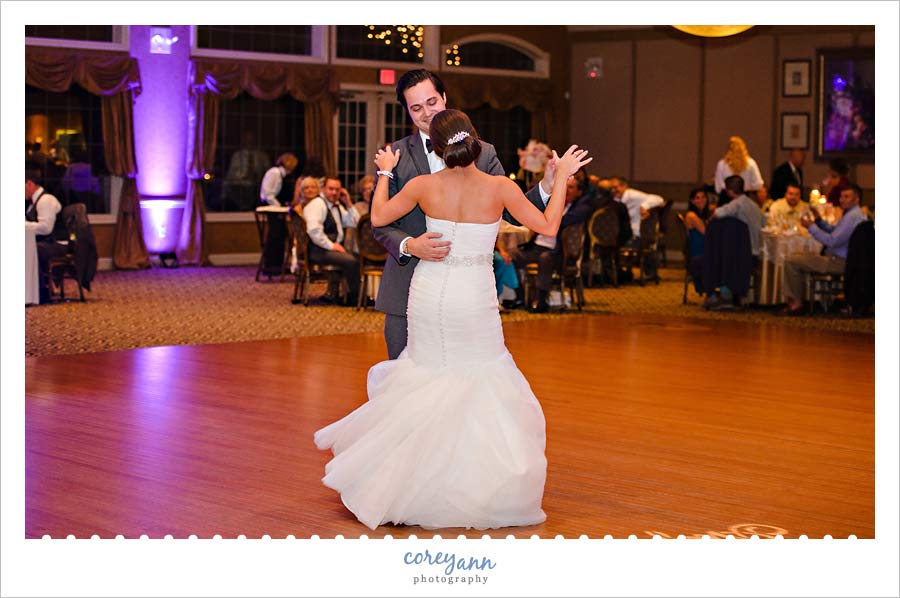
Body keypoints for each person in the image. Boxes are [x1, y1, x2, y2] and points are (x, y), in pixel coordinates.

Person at [314, 109, 592, 530]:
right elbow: (549, 223)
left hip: (429, 293)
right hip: (472, 296)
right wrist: (564, 176)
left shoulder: (424, 185)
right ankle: (469, 484)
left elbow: (378, 218)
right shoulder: (500, 187)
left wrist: (386, 172)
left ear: (437, 148)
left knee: (426, 373)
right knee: (479, 376)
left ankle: (403, 481)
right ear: (475, 141)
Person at [372, 69, 553, 360]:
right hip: (407, 288)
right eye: (416, 108)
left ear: (444, 98)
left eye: (432, 102)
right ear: (407, 111)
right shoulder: (394, 155)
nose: (427, 113)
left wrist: (546, 187)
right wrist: (410, 245)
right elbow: (379, 222)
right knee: (404, 379)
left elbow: (515, 212)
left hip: (467, 296)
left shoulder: (483, 152)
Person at [778, 184, 868, 316]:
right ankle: (801, 300)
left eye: (847, 197)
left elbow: (831, 241)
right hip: (844, 259)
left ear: (856, 200)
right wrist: (819, 221)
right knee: (797, 256)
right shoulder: (855, 214)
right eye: (841, 196)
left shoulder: (852, 217)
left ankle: (796, 304)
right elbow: (835, 231)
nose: (842, 200)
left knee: (791, 260)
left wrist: (811, 227)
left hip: (840, 262)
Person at [509, 176, 595, 312]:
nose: (566, 190)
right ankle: (521, 297)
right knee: (511, 255)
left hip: (558, 252)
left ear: (579, 192)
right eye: (565, 187)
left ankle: (541, 301)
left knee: (545, 258)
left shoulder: (580, 207)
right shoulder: (553, 203)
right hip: (537, 247)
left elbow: (560, 222)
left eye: (571, 187)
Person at [302, 176, 361, 304]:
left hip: (328, 249)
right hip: (317, 250)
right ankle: (354, 299)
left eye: (337, 190)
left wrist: (349, 203)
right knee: (352, 261)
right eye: (331, 189)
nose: (334, 192)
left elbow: (355, 222)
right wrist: (331, 246)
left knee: (356, 256)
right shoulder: (318, 204)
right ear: (323, 189)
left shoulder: (337, 206)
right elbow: (313, 230)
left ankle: (339, 294)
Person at [26, 164, 67, 304]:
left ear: (29, 183)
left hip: (57, 243)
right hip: (47, 242)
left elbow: (46, 228)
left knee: (30, 249)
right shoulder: (33, 202)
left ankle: (40, 292)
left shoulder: (46, 200)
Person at [713, 135, 764, 200]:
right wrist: (746, 188)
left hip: (726, 198)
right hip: (745, 198)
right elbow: (758, 184)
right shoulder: (751, 163)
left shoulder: (722, 164)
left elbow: (718, 188)